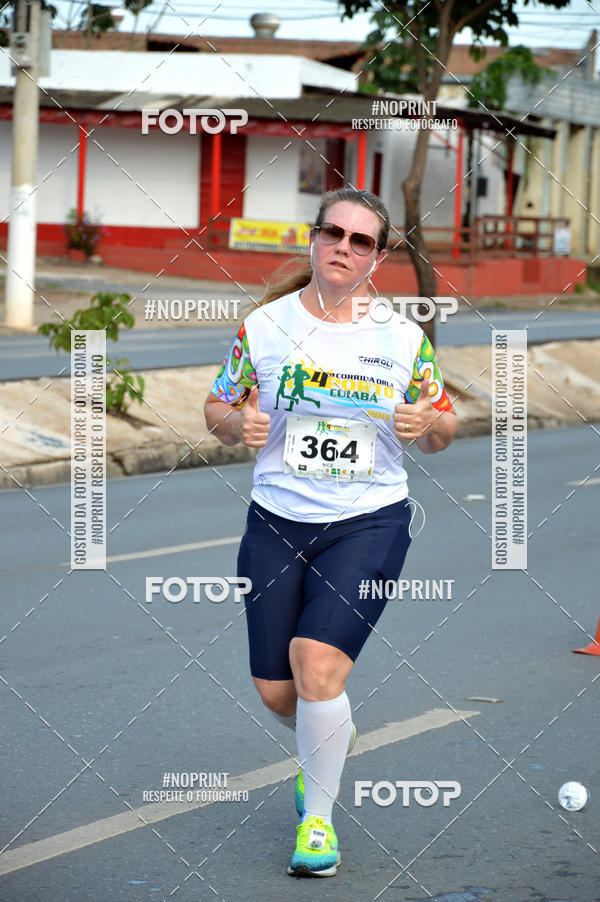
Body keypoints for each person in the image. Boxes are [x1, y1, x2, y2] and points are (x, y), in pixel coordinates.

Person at [204, 188, 458, 878]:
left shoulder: (402, 339)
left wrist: (426, 424)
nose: (344, 247)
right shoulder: (265, 327)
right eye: (333, 233)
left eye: (361, 240)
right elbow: (217, 406)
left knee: (315, 665)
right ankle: (326, 736)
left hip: (368, 520)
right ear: (314, 239)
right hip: (276, 519)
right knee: (277, 690)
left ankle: (317, 823)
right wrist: (236, 424)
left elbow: (444, 424)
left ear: (378, 258)